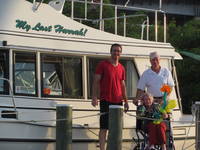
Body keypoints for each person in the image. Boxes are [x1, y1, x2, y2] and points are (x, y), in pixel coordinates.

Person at [91, 43, 129, 150]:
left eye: (118, 51)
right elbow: (96, 81)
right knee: (104, 127)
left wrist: (126, 101)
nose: (116, 53)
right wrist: (94, 97)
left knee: (116, 128)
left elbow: (123, 85)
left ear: (120, 53)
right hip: (105, 100)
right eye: (114, 50)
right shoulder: (103, 64)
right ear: (110, 52)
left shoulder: (122, 68)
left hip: (118, 101)